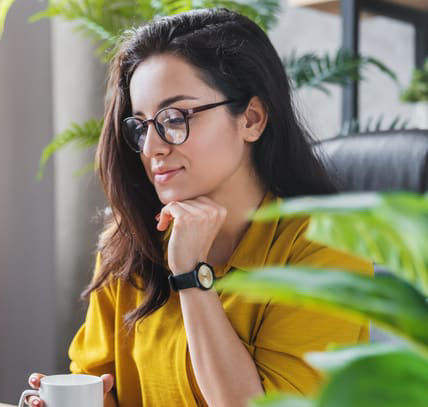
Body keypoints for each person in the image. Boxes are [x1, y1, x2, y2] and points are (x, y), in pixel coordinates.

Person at [24, 7, 373, 407]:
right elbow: (99, 383)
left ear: (252, 119)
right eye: (141, 125)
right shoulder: (129, 242)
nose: (152, 147)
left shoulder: (325, 250)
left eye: (175, 118)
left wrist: (190, 274)